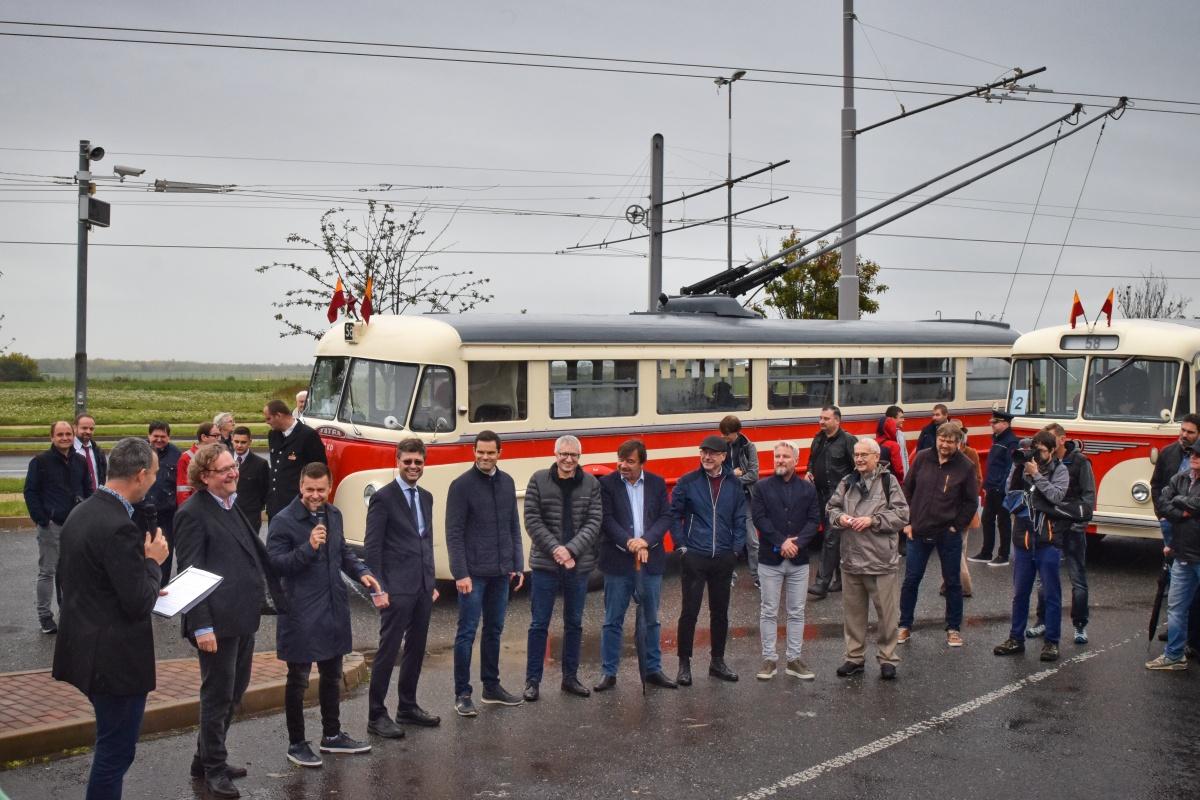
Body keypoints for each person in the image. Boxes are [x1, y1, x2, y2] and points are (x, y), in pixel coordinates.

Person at [52, 438, 168, 800]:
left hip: (85, 649)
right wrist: (153, 563)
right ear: (139, 474)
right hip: (114, 663)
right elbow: (136, 603)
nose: (154, 481)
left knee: (110, 746)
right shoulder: (119, 526)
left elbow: (81, 580)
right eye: (153, 474)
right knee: (116, 752)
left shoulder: (83, 511)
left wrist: (139, 578)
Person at [175, 443, 286, 799]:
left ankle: (203, 758)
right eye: (225, 469)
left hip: (242, 618)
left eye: (232, 467)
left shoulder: (229, 505)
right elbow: (190, 573)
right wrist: (201, 626)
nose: (233, 472)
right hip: (216, 625)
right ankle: (214, 769)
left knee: (234, 693)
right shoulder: (193, 513)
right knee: (218, 696)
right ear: (205, 476)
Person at [267, 462, 382, 767]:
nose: (315, 496)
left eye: (321, 490)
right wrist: (308, 547)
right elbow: (277, 565)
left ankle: (332, 736)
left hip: (332, 607)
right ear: (300, 487)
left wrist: (362, 573)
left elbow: (342, 552)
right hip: (300, 612)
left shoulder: (333, 515)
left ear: (329, 487)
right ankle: (296, 743)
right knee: (299, 680)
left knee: (332, 675)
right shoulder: (283, 520)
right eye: (309, 489)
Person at [364, 438, 441, 738]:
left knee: (417, 648)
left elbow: (425, 542)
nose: (413, 467)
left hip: (422, 587)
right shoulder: (383, 498)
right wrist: (377, 588)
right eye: (407, 461)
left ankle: (407, 706)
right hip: (394, 589)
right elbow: (373, 548)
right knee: (388, 650)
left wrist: (431, 582)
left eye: (418, 462)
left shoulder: (427, 497)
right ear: (397, 460)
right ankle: (376, 714)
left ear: (424, 463)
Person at [446, 431, 526, 716]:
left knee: (494, 631)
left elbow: (513, 526)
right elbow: (453, 534)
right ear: (473, 451)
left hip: (501, 572)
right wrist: (460, 573)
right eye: (480, 452)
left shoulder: (507, 483)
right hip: (473, 575)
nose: (485, 457)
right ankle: (462, 693)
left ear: (499, 453)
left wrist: (518, 564)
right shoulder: (461, 486)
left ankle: (491, 687)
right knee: (466, 633)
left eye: (490, 452)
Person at [522, 435, 603, 701]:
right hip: (546, 565)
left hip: (578, 567)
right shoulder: (537, 479)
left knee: (575, 623)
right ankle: (532, 681)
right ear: (555, 454)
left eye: (574, 455)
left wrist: (571, 550)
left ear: (580, 457)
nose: (569, 460)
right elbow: (532, 519)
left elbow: (594, 521)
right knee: (538, 624)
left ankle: (570, 678)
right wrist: (557, 550)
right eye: (564, 454)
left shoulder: (591, 483)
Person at [594, 439, 677, 692]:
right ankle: (609, 672)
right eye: (620, 459)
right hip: (618, 561)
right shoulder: (606, 485)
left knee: (651, 620)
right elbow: (605, 519)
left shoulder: (657, 483)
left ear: (642, 462)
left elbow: (665, 517)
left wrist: (645, 541)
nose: (623, 465)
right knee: (612, 620)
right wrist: (629, 542)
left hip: (649, 561)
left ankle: (653, 669)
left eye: (630, 461)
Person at [827, 439, 910, 679]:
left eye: (864, 455)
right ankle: (854, 658)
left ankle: (887, 659)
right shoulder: (847, 482)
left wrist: (873, 521)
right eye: (857, 455)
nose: (860, 459)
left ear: (876, 457)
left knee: (887, 615)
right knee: (853, 614)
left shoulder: (888, 481)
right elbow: (830, 508)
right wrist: (840, 518)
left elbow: (902, 514)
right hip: (851, 559)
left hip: (880, 560)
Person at [672, 434, 746, 685]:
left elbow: (740, 517)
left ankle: (717, 661)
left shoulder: (734, 484)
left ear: (723, 457)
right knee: (689, 613)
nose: (706, 456)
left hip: (723, 557)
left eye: (712, 453)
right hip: (695, 555)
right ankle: (684, 664)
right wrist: (682, 547)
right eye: (703, 452)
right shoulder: (687, 481)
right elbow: (674, 516)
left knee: (720, 612)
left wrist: (735, 550)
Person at [993, 430, 1073, 663]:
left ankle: (1052, 642)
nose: (1036, 456)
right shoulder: (1023, 466)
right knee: (1019, 594)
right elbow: (1010, 493)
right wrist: (1019, 467)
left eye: (1041, 451)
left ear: (1051, 451)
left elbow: (1057, 496)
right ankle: (1015, 638)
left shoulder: (1060, 470)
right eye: (1034, 450)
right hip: (1023, 540)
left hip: (1048, 540)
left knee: (1051, 594)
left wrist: (1037, 475)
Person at [897, 422, 979, 648]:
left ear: (958, 443)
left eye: (950, 442)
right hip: (919, 530)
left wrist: (957, 526)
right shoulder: (923, 458)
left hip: (948, 533)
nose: (944, 445)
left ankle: (953, 629)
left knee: (953, 582)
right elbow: (907, 489)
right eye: (941, 440)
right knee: (911, 580)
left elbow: (971, 501)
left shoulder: (966, 466)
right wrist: (908, 522)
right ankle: (904, 625)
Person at [751, 441, 820, 681]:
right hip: (770, 560)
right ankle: (769, 659)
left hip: (799, 561)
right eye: (777, 456)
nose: (780, 460)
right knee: (768, 610)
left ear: (796, 461)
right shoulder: (761, 487)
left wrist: (796, 544)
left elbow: (814, 521)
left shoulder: (808, 489)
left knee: (797, 612)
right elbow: (759, 519)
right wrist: (782, 542)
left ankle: (794, 659)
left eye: (785, 457)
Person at [1027, 423, 1096, 645]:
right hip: (1050, 526)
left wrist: (1080, 523)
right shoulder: (1042, 462)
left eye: (1051, 438)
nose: (1045, 443)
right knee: (1044, 579)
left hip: (1072, 526)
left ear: (1062, 439)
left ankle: (1079, 626)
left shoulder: (1080, 462)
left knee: (1077, 578)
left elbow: (1088, 495)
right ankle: (1043, 620)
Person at [25, 420, 92, 634]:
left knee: (71, 571)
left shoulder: (80, 461)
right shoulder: (40, 462)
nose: (65, 438)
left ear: (73, 436)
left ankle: (69, 612)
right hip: (51, 525)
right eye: (60, 434)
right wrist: (42, 519)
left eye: (68, 434)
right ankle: (45, 616)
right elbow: (31, 492)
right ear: (51, 437)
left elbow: (88, 488)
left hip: (75, 524)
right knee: (47, 572)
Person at [1147, 443, 1200, 670]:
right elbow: (1162, 502)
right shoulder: (1181, 478)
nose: (1195, 458)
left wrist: (1180, 502)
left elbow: (1197, 504)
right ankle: (1175, 655)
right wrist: (1182, 510)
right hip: (1182, 554)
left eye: (1199, 455)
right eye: (1194, 454)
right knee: (1176, 607)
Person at [806, 405, 857, 600]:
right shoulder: (818, 439)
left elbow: (857, 469)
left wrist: (848, 490)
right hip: (820, 495)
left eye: (826, 418)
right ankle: (841, 579)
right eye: (820, 418)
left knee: (830, 537)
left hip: (840, 498)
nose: (821, 422)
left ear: (837, 420)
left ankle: (822, 583)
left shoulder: (848, 441)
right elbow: (812, 460)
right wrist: (810, 471)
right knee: (833, 538)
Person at [264, 399, 327, 519]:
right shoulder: (273, 435)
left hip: (297, 506)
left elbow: (320, 470)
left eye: (269, 418)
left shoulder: (308, 436)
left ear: (279, 415)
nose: (267, 422)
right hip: (275, 507)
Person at [971, 409, 1019, 566]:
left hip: (1001, 488)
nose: (992, 425)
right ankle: (986, 552)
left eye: (995, 422)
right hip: (992, 487)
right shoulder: (998, 439)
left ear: (1005, 424)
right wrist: (987, 485)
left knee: (1003, 521)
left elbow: (1009, 467)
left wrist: (1002, 486)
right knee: (987, 519)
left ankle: (1003, 555)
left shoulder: (1011, 442)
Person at [720, 415, 760, 587]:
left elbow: (754, 474)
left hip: (745, 497)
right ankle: (729, 574)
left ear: (736, 432)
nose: (724, 437)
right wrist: (731, 474)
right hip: (728, 497)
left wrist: (735, 478)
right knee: (727, 538)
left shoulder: (748, 447)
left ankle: (757, 576)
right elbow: (719, 472)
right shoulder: (723, 447)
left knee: (752, 540)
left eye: (727, 434)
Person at [1152, 414, 1200, 549]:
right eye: (1182, 430)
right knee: (1172, 564)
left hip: (1195, 524)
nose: (1184, 435)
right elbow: (1156, 485)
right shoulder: (1167, 452)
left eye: (1190, 432)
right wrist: (1161, 515)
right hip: (1169, 520)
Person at [144, 421, 182, 588]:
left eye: (163, 436)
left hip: (167, 514)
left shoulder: (177, 455)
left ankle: (162, 588)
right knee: (142, 551)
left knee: (165, 553)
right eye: (155, 436)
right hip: (142, 513)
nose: (159, 440)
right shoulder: (140, 452)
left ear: (169, 437)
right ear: (149, 436)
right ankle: (144, 587)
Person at [231, 426, 269, 529]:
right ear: (232, 440)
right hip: (227, 514)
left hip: (250, 517)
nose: (239, 445)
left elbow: (265, 490)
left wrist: (255, 507)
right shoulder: (223, 460)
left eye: (243, 442)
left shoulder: (260, 464)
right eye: (236, 441)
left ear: (250, 442)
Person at [177, 423, 222, 508]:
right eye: (215, 436)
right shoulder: (186, 458)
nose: (219, 439)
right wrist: (187, 511)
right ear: (204, 437)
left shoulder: (217, 455)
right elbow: (183, 490)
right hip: (196, 507)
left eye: (219, 436)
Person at [74, 413, 107, 492]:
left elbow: (102, 477)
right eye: (84, 428)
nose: (88, 431)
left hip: (96, 498)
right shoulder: (68, 451)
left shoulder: (98, 452)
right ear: (74, 428)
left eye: (91, 429)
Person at [874, 414, 905, 483]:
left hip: (875, 482)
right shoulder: (893, 445)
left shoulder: (872, 443)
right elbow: (898, 470)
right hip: (890, 482)